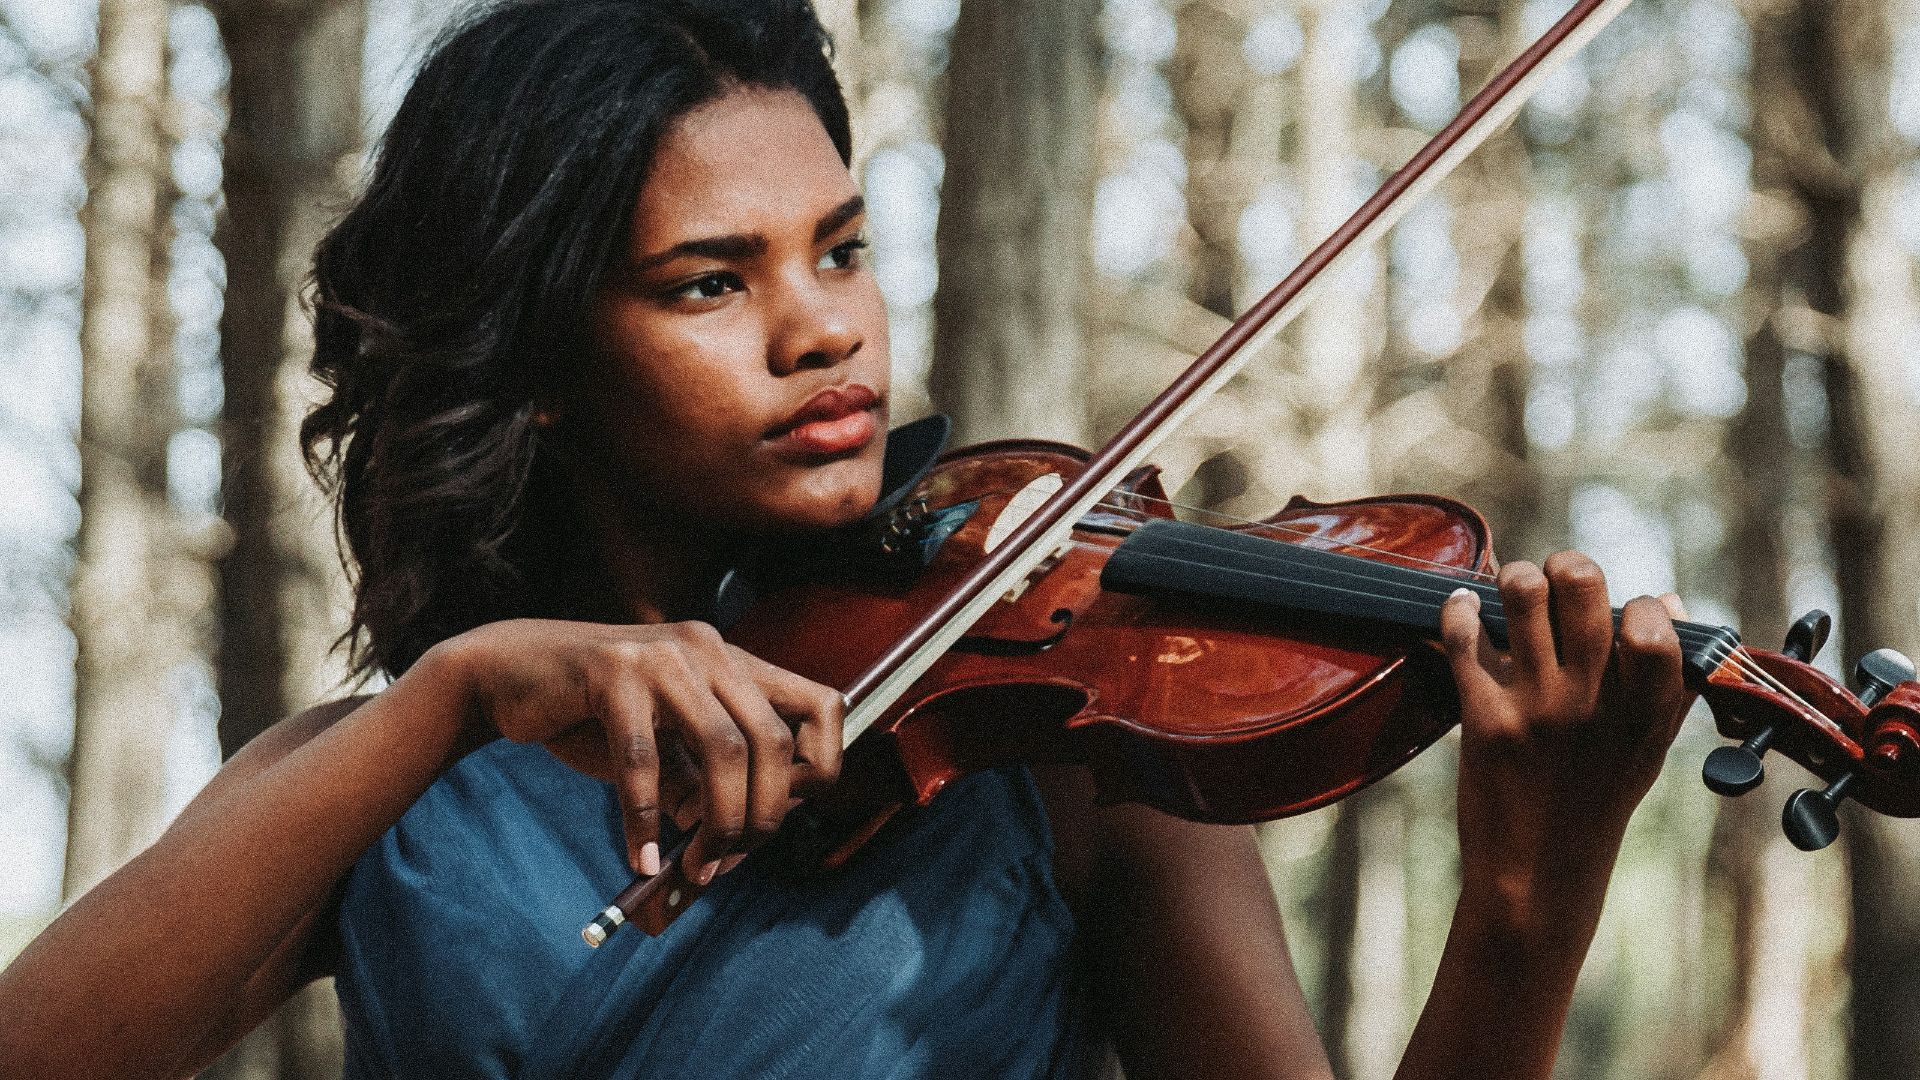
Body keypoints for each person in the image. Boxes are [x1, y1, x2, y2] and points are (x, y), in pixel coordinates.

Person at [0, 1, 1696, 1077]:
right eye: (712, 281)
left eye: (842, 247)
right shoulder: (384, 778)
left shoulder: (1069, 754)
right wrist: (452, 697)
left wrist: (1527, 909)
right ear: (534, 369)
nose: (825, 333)